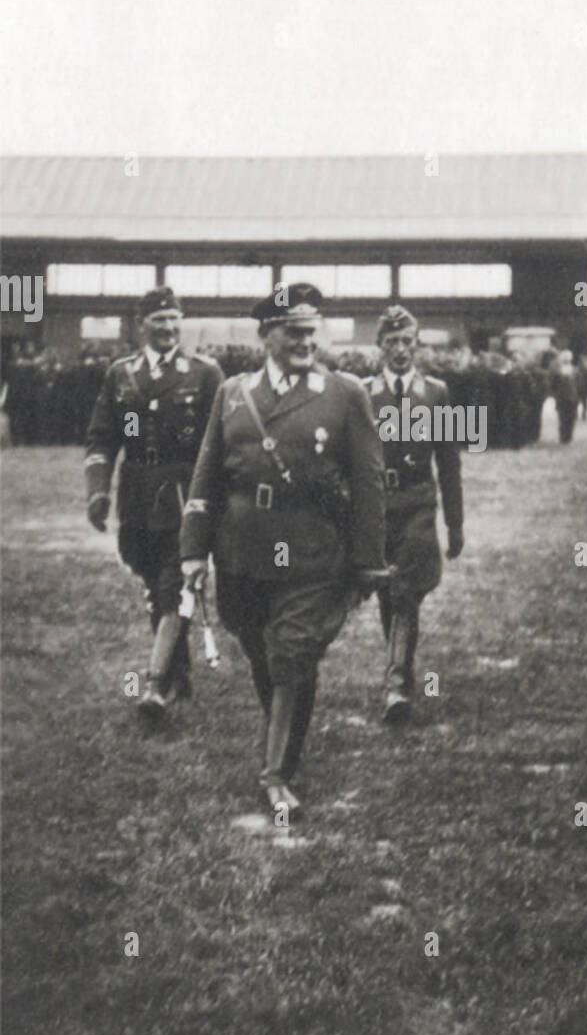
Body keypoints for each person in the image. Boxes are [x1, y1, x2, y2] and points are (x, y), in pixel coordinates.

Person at [179, 284, 388, 815]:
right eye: (292, 332)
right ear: (266, 335)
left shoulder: (345, 394)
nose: (304, 342)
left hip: (311, 551)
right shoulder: (232, 393)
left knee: (290, 656)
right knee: (259, 652)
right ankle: (283, 735)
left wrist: (367, 559)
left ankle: (276, 775)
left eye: (309, 332)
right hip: (243, 552)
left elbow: (368, 481)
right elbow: (206, 476)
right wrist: (192, 552)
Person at [85, 287, 224, 721]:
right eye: (159, 319)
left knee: (174, 588)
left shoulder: (205, 374)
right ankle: (179, 672)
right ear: (142, 324)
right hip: (137, 498)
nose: (167, 327)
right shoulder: (121, 375)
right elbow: (103, 437)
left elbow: (218, 443)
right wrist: (98, 490)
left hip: (185, 496)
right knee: (154, 588)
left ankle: (154, 685)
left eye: (173, 319)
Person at [364, 305, 464, 723]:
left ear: (417, 345)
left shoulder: (436, 393)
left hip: (419, 505)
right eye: (392, 342)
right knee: (389, 595)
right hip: (378, 510)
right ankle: (402, 667)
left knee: (405, 591)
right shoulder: (363, 393)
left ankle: (396, 685)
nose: (401, 350)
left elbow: (449, 461)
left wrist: (455, 524)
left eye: (407, 341)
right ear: (380, 347)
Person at [550, 349, 579, 444]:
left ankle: (569, 437)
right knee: (562, 418)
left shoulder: (575, 370)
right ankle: (563, 437)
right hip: (561, 397)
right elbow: (553, 384)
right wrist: (555, 395)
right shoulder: (557, 371)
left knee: (571, 418)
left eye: (568, 357)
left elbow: (579, 384)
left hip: (573, 398)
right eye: (565, 357)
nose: (567, 359)